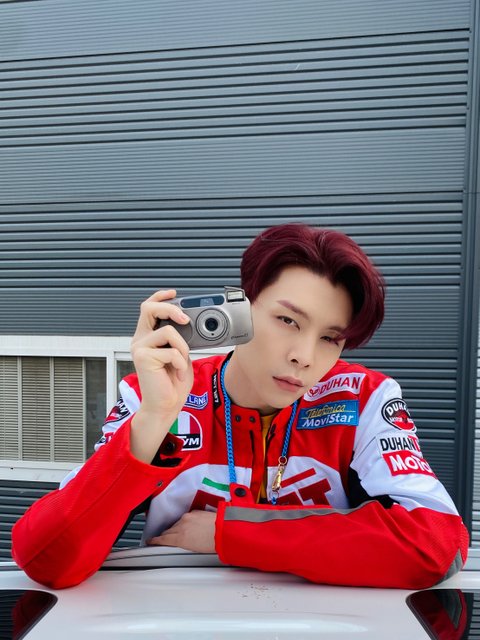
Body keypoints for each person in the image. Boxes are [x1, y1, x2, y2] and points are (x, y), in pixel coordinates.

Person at [12, 223, 468, 589]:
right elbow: (45, 558)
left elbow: (436, 544)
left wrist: (228, 533)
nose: (304, 357)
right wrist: (153, 420)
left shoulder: (363, 397)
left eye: (331, 338)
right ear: (241, 309)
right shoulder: (156, 394)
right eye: (288, 320)